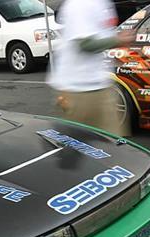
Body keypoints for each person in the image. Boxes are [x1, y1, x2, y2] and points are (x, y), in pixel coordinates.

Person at [47, 0, 135, 137]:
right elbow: (85, 44)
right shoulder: (81, 4)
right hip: (79, 90)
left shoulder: (103, 3)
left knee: (113, 143)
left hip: (101, 85)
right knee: (81, 145)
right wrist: (118, 40)